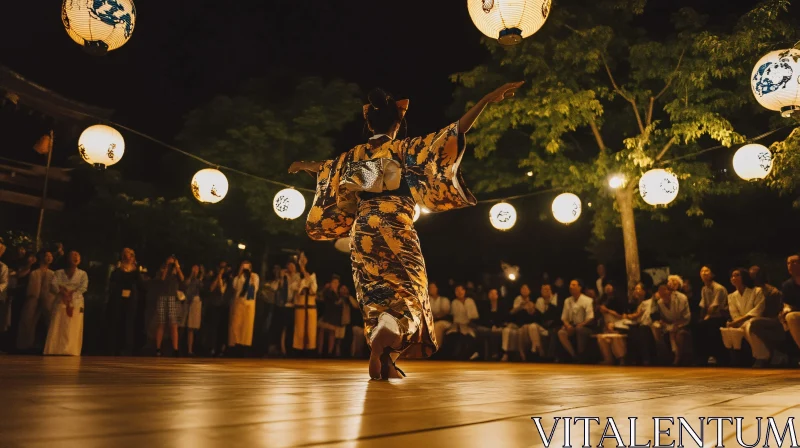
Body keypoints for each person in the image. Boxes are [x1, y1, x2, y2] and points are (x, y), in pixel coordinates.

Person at [291, 81, 523, 379]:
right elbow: (454, 132)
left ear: (368, 122)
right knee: (411, 292)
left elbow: (327, 168)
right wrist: (486, 100)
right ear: (398, 121)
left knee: (374, 291)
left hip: (361, 232)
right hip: (394, 226)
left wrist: (304, 165)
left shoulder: (354, 155)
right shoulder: (404, 148)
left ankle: (385, 354)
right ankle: (391, 329)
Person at [44, 251, 88, 356]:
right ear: (67, 258)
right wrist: (62, 292)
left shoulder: (82, 273)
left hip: (76, 303)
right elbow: (53, 285)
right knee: (58, 324)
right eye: (73, 255)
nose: (76, 257)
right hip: (60, 300)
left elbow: (83, 287)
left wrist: (71, 294)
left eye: (78, 255)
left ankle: (71, 350)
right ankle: (55, 349)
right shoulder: (59, 273)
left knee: (73, 326)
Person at [720, 268, 765, 366]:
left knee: (749, 325)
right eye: (732, 276)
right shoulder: (731, 296)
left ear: (744, 277)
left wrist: (738, 322)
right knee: (727, 330)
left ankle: (760, 356)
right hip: (739, 322)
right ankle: (737, 359)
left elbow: (757, 310)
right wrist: (735, 323)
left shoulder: (757, 291)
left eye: (737, 275)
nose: (733, 278)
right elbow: (734, 314)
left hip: (754, 320)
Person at [106, 248, 143, 355]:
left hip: (131, 298)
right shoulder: (117, 269)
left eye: (130, 255)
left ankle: (127, 347)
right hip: (118, 298)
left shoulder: (135, 270)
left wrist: (135, 269)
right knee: (117, 320)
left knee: (129, 322)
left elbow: (140, 284)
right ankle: (114, 347)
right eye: (126, 254)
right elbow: (113, 281)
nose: (128, 257)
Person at [17, 251, 55, 352]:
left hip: (48, 299)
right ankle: (25, 345)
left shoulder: (52, 274)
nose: (49, 258)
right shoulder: (34, 272)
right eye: (47, 256)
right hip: (32, 298)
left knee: (50, 321)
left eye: (50, 256)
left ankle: (49, 345)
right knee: (28, 320)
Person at [747, 266, 785, 368]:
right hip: (754, 317)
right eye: (751, 275)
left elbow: (773, 312)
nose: (753, 277)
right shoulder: (750, 291)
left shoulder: (772, 292)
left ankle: (767, 354)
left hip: (773, 319)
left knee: (754, 323)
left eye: (755, 275)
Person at [694, 266, 729, 365]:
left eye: (707, 271)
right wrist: (701, 318)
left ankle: (715, 356)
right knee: (697, 326)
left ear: (712, 274)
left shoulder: (718, 288)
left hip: (720, 317)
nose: (704, 273)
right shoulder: (704, 289)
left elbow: (714, 307)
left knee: (709, 326)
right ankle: (701, 357)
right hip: (710, 317)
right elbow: (703, 306)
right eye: (702, 271)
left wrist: (705, 318)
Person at [652, 281, 692, 365]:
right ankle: (664, 358)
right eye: (660, 292)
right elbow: (663, 317)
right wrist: (663, 323)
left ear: (670, 291)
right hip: (669, 325)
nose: (662, 294)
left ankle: (678, 358)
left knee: (678, 334)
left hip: (684, 324)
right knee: (656, 328)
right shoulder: (660, 303)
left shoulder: (681, 298)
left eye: (664, 291)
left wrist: (677, 325)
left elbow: (686, 317)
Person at [558, 280, 595, 363]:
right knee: (561, 332)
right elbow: (564, 317)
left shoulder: (588, 300)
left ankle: (581, 355)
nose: (571, 287)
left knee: (579, 329)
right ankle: (573, 355)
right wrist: (568, 326)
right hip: (572, 325)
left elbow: (590, 317)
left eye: (574, 285)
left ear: (580, 287)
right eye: (570, 285)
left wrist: (581, 325)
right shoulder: (567, 300)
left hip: (585, 326)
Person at [155, 256, 184, 357]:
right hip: (163, 296)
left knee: (173, 324)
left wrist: (177, 266)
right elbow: (162, 278)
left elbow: (182, 278)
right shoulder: (163, 268)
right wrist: (167, 265)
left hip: (173, 297)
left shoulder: (176, 270)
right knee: (161, 323)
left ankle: (175, 349)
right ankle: (158, 348)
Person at [229, 260, 260, 354]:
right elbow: (235, 286)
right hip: (239, 301)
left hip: (250, 301)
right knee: (236, 324)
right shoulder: (239, 277)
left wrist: (250, 277)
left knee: (248, 324)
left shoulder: (255, 276)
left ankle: (245, 345)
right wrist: (240, 273)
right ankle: (235, 344)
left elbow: (255, 288)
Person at [501, 284, 537, 362]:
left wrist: (530, 307)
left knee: (521, 332)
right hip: (516, 323)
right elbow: (512, 312)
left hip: (527, 324)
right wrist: (520, 306)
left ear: (529, 291)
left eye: (526, 289)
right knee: (506, 330)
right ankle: (505, 353)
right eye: (522, 288)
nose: (524, 290)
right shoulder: (517, 299)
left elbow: (533, 314)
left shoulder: (532, 300)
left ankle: (522, 353)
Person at [444, 285, 480, 360]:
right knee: (453, 336)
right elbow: (454, 316)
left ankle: (470, 355)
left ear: (464, 291)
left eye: (461, 290)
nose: (459, 292)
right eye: (457, 291)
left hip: (469, 325)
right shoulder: (454, 302)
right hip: (457, 325)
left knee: (469, 337)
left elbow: (474, 316)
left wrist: (469, 324)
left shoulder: (470, 301)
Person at [292, 253, 318, 354]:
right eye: (301, 257)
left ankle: (310, 350)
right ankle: (298, 350)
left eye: (304, 257)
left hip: (310, 305)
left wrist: (303, 270)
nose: (302, 259)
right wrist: (302, 284)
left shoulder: (312, 275)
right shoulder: (297, 275)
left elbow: (313, 288)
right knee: (299, 328)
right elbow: (294, 287)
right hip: (301, 305)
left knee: (310, 329)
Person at [204, 262, 230, 357]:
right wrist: (218, 276)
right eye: (221, 267)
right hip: (213, 306)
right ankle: (211, 348)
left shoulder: (228, 279)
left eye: (224, 267)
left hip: (223, 307)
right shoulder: (213, 277)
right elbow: (211, 288)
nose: (222, 269)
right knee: (212, 329)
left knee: (221, 329)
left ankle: (220, 349)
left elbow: (223, 291)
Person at [476, 288, 507, 360]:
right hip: (487, 326)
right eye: (491, 293)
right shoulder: (484, 305)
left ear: (497, 295)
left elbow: (504, 317)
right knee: (489, 332)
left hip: (499, 326)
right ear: (488, 295)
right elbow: (483, 318)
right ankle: (492, 354)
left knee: (500, 332)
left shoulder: (502, 305)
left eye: (494, 294)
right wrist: (491, 326)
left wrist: (498, 326)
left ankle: (498, 353)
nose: (493, 295)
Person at [181, 265, 204, 356]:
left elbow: (201, 288)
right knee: (182, 325)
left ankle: (190, 350)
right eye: (194, 268)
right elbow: (185, 284)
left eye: (197, 269)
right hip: (186, 302)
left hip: (194, 302)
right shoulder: (187, 278)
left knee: (191, 327)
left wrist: (200, 275)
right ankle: (178, 347)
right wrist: (191, 275)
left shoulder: (199, 281)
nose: (195, 270)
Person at [319, 274, 343, 356]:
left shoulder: (339, 293)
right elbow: (325, 299)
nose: (335, 284)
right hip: (327, 314)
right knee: (322, 332)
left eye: (337, 282)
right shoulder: (328, 291)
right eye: (334, 282)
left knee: (332, 333)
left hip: (334, 316)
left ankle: (330, 352)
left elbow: (339, 303)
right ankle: (319, 351)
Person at [429, 282, 452, 351]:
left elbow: (445, 312)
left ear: (437, 289)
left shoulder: (444, 300)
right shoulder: (426, 299)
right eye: (430, 287)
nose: (431, 289)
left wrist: (435, 316)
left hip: (443, 322)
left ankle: (436, 349)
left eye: (433, 287)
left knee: (437, 326)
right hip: (429, 321)